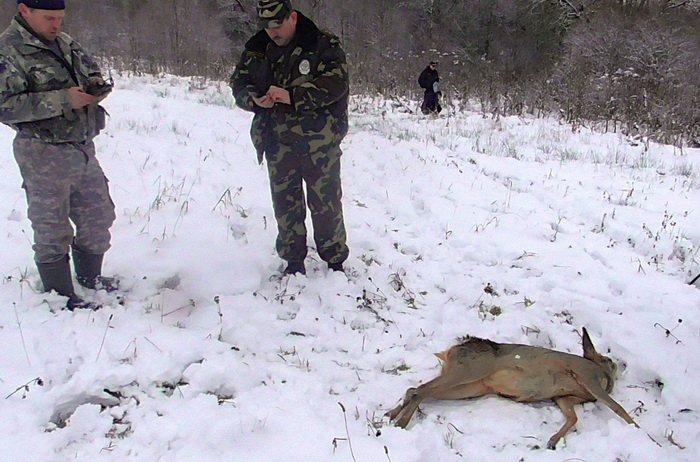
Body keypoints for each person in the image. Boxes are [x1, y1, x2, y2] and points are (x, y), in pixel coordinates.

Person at [0, 0, 117, 310]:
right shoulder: (7, 50)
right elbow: (5, 105)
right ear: (24, 10)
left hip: (81, 146)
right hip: (41, 149)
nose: (56, 24)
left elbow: (90, 72)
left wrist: (95, 89)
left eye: (60, 18)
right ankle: (60, 295)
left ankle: (91, 278)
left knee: (98, 216)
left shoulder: (64, 42)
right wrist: (64, 99)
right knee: (52, 226)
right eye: (49, 17)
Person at [230, 0, 349, 276]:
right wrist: (254, 100)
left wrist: (294, 96)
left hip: (318, 140)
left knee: (325, 202)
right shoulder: (257, 48)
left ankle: (334, 261)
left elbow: (336, 84)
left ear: (292, 18)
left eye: (278, 23)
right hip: (277, 140)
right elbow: (239, 82)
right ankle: (293, 261)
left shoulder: (321, 44)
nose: (273, 31)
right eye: (267, 25)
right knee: (286, 204)